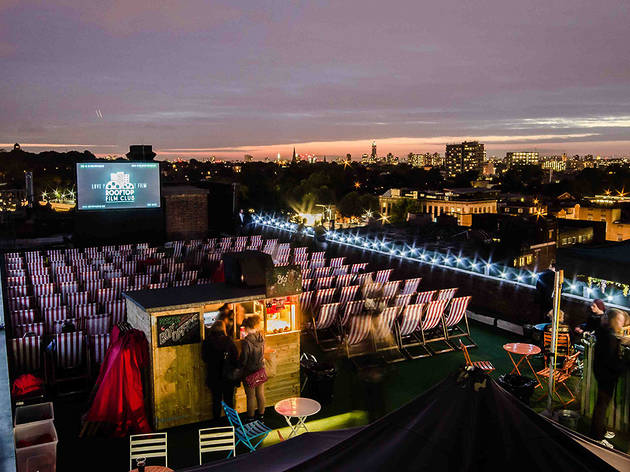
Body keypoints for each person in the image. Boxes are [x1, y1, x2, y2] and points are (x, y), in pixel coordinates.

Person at [589, 308, 628, 447]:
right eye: (620, 320)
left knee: (602, 404)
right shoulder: (609, 337)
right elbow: (611, 361)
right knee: (602, 405)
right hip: (606, 375)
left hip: (602, 373)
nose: (622, 324)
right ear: (613, 320)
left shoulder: (605, 332)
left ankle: (601, 430)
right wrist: (624, 365)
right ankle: (597, 437)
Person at [201, 311, 240, 420]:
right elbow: (235, 358)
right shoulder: (228, 341)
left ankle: (216, 423)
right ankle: (232, 422)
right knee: (229, 400)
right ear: (223, 329)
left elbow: (204, 358)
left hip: (214, 376)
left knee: (216, 400)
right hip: (227, 376)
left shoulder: (207, 342)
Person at [240, 315, 267, 423]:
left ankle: (250, 418)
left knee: (250, 396)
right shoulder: (261, 337)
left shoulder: (246, 342)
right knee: (260, 394)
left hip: (249, 371)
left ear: (247, 327)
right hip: (260, 369)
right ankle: (261, 416)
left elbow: (244, 359)